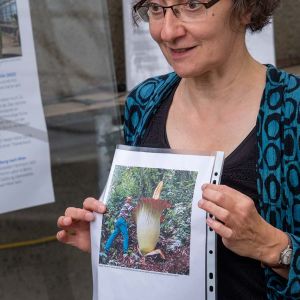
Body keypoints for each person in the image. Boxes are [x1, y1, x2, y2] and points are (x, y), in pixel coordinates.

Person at [57, 0, 300, 299]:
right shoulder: (145, 102)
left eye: (193, 5)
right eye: (156, 9)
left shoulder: (292, 112)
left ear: (246, 7)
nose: (167, 31)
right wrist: (107, 240)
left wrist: (274, 247)